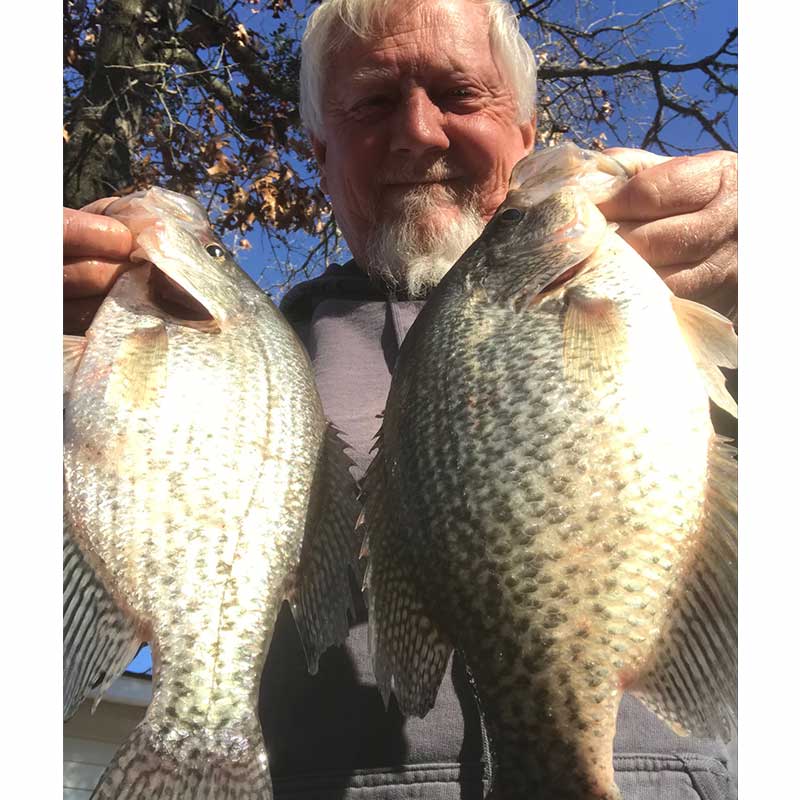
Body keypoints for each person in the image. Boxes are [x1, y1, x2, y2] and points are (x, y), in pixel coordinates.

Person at [63, 1, 737, 797]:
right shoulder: (247, 369)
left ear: (524, 134)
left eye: (457, 94)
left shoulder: (694, 305)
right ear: (320, 151)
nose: (418, 131)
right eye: (373, 103)